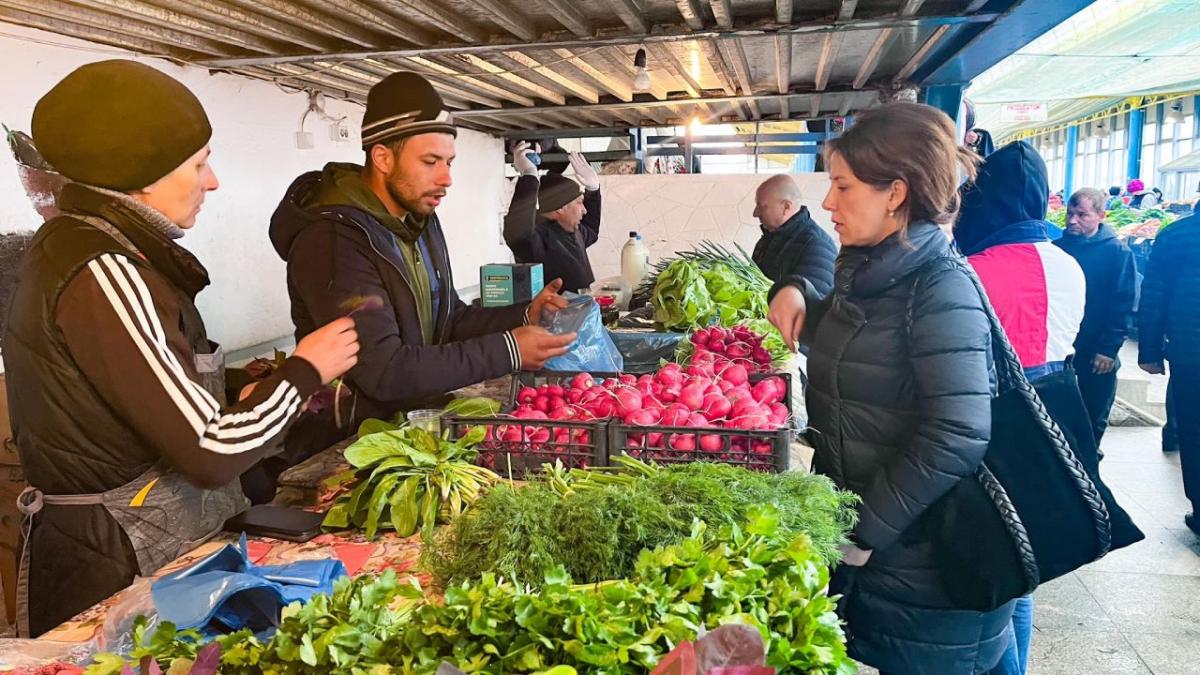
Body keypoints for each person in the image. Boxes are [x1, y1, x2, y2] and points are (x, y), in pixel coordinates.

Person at [5, 60, 361, 636]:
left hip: (140, 552)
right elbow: (209, 450)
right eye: (198, 164)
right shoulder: (102, 268)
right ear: (141, 174)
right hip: (117, 564)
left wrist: (240, 385)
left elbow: (146, 393)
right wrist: (304, 372)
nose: (212, 181)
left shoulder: (111, 251)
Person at [767, 102, 1014, 674]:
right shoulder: (872, 271)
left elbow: (957, 433)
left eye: (842, 186)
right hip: (884, 557)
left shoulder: (940, 288)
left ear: (895, 193)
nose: (827, 203)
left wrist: (863, 530)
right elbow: (853, 347)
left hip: (928, 565)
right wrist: (801, 288)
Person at [271, 72, 572, 425]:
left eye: (449, 162)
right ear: (383, 158)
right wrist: (508, 350)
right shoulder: (333, 241)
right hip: (353, 445)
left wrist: (523, 316)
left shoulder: (418, 222)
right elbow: (384, 371)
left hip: (415, 426)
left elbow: (449, 321)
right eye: (431, 162)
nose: (446, 178)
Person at [954, 140, 1087, 675]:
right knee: (1023, 568)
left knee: (993, 568)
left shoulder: (976, 269)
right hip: (1056, 418)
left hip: (997, 423)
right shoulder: (1069, 264)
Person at [1056, 188, 1137, 446]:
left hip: (1097, 348)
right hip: (1062, 345)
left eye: (1082, 215)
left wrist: (1108, 349)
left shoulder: (1117, 253)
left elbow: (1122, 304)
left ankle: (1090, 466)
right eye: (1070, 214)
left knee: (1093, 414)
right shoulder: (1057, 250)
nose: (1072, 221)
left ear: (1101, 215)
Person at [1138, 211, 1200, 536]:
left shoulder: (1175, 235)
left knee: (1193, 432)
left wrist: (1149, 350)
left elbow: (1154, 293)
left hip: (1190, 352)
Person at [504, 141, 602, 294]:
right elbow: (517, 231)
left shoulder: (574, 231)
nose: (584, 210)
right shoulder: (538, 239)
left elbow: (591, 229)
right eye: (579, 203)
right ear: (561, 208)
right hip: (555, 315)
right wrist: (529, 176)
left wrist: (593, 190)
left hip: (583, 312)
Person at [750, 174, 836, 296]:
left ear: (786, 207)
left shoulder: (816, 246)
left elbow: (808, 305)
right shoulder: (769, 238)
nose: (755, 213)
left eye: (762, 206)